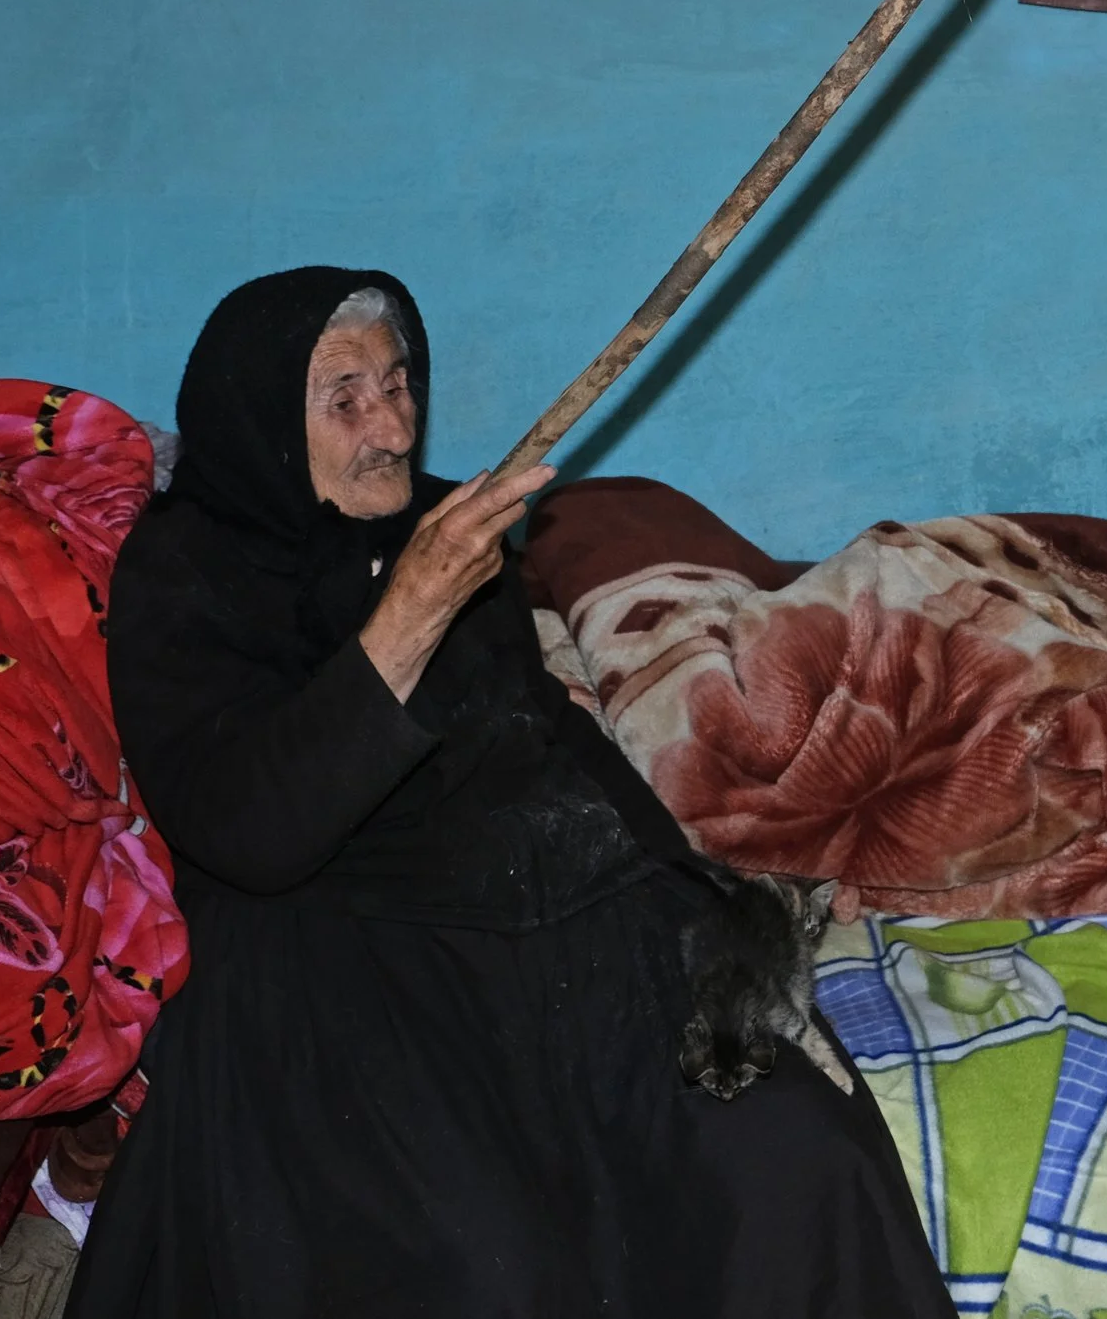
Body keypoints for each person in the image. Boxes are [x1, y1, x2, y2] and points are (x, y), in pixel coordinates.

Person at [67, 267, 953, 1318]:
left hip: (553, 921)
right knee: (478, 1257)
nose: (389, 425)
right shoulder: (184, 572)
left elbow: (543, 740)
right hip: (334, 951)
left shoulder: (445, 528)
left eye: (397, 384)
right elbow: (254, 834)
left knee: (803, 1161)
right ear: (259, 417)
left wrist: (716, 900)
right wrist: (406, 616)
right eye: (343, 399)